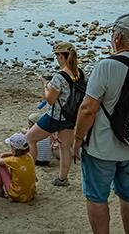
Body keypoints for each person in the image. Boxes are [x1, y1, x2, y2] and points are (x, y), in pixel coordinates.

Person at [73, 13, 129, 234]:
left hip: (102, 147)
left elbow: (88, 108)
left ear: (117, 37)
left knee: (97, 196)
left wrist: (77, 139)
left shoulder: (106, 66)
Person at [26, 41, 82, 187]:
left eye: (57, 56)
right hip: (71, 116)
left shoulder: (60, 76)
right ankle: (62, 179)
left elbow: (50, 100)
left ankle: (30, 174)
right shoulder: (80, 73)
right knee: (65, 148)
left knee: (29, 139)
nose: (57, 59)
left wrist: (45, 86)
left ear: (61, 57)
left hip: (55, 116)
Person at [0, 132, 36, 203]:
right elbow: (15, 156)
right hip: (30, 194)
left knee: (1, 166)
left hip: (16, 194)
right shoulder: (29, 156)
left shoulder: (13, 161)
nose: (11, 148)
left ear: (16, 149)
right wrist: (6, 154)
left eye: (11, 147)